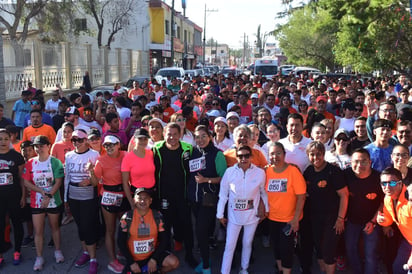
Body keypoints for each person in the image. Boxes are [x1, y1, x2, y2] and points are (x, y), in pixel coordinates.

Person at [217, 145, 268, 274]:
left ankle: (244, 269)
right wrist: (220, 214)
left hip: (252, 217)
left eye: (246, 156)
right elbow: (223, 194)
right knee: (229, 245)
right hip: (234, 217)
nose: (243, 159)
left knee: (247, 243)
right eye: (240, 156)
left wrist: (266, 209)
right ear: (236, 157)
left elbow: (263, 193)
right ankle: (225, 271)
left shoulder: (260, 173)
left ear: (251, 157)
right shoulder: (229, 172)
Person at [152, 123, 197, 268]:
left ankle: (189, 254)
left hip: (182, 196)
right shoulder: (156, 149)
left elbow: (194, 171)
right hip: (163, 196)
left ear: (180, 135)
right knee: (165, 226)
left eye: (175, 134)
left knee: (186, 225)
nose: (171, 137)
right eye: (169, 134)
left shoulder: (188, 149)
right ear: (164, 134)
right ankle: (165, 254)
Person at [303, 141, 349, 274]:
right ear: (308, 155)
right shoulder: (309, 171)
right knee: (319, 249)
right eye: (312, 154)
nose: (315, 158)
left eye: (319, 154)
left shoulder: (333, 171)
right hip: (315, 216)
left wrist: (340, 218)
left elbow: (344, 195)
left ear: (324, 154)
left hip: (332, 217)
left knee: (329, 250)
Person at [188, 125, 227, 274]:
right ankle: (207, 256)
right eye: (197, 137)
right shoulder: (193, 152)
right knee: (203, 230)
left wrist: (207, 180)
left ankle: (206, 266)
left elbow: (224, 178)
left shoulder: (217, 154)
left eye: (203, 136)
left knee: (200, 231)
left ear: (210, 137)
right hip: (194, 199)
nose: (200, 139)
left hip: (209, 199)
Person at [22, 135, 65, 271]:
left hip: (53, 199)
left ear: (48, 146)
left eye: (41, 145)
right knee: (38, 230)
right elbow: (26, 182)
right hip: (37, 201)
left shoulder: (55, 162)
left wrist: (49, 195)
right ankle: (39, 257)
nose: (39, 148)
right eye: (36, 146)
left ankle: (58, 251)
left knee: (54, 227)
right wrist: (41, 191)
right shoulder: (30, 163)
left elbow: (58, 182)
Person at [89, 135, 128, 273]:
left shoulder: (125, 155)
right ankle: (112, 261)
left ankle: (122, 251)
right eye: (106, 146)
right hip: (108, 195)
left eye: (112, 145)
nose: (109, 148)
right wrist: (90, 172)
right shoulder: (101, 160)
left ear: (119, 145)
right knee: (110, 230)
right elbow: (95, 183)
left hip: (123, 195)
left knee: (125, 228)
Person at [265, 142, 306, 274]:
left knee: (287, 249)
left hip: (289, 220)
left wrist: (295, 219)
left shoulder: (293, 171)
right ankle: (281, 269)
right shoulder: (267, 171)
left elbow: (301, 196)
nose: (275, 156)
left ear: (284, 154)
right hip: (272, 217)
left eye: (278, 153)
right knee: (276, 247)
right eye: (272, 153)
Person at [117, 188, 179, 274]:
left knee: (174, 262)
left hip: (152, 256)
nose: (143, 201)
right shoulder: (127, 217)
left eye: (145, 198)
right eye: (140, 198)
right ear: (134, 200)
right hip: (134, 260)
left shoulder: (157, 216)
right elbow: (120, 241)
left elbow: (164, 239)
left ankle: (157, 271)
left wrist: (154, 259)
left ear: (150, 200)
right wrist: (131, 262)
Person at [64, 129, 100, 274]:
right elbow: (67, 178)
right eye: (74, 140)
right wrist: (66, 199)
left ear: (86, 140)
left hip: (88, 195)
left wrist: (90, 178)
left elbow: (99, 179)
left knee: (87, 225)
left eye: (79, 140)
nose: (76, 143)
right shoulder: (68, 155)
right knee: (80, 225)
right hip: (73, 195)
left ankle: (93, 259)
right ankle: (85, 252)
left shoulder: (94, 154)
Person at [344, 148, 383, 274]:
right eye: (356, 161)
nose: (360, 165)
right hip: (351, 220)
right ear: (350, 162)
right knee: (350, 249)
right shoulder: (345, 175)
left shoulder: (378, 178)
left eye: (364, 162)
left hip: (372, 221)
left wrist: (373, 221)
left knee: (370, 254)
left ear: (370, 162)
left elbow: (384, 202)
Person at [377, 168, 412, 274]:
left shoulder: (410, 200)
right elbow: (389, 220)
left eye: (392, 183)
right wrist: (381, 221)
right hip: (408, 241)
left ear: (400, 183)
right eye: (384, 183)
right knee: (397, 268)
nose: (387, 187)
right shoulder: (388, 198)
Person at [0, 129, 25, 266]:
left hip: (14, 195)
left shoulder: (16, 156)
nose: (3, 142)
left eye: (5, 139)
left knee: (17, 223)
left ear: (9, 140)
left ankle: (17, 251)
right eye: (0, 139)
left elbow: (21, 178)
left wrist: (22, 195)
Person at [122, 128, 156, 209]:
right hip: (137, 195)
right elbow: (125, 183)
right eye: (140, 139)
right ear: (134, 140)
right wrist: (131, 202)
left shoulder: (151, 153)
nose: (143, 141)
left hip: (152, 194)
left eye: (145, 139)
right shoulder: (128, 158)